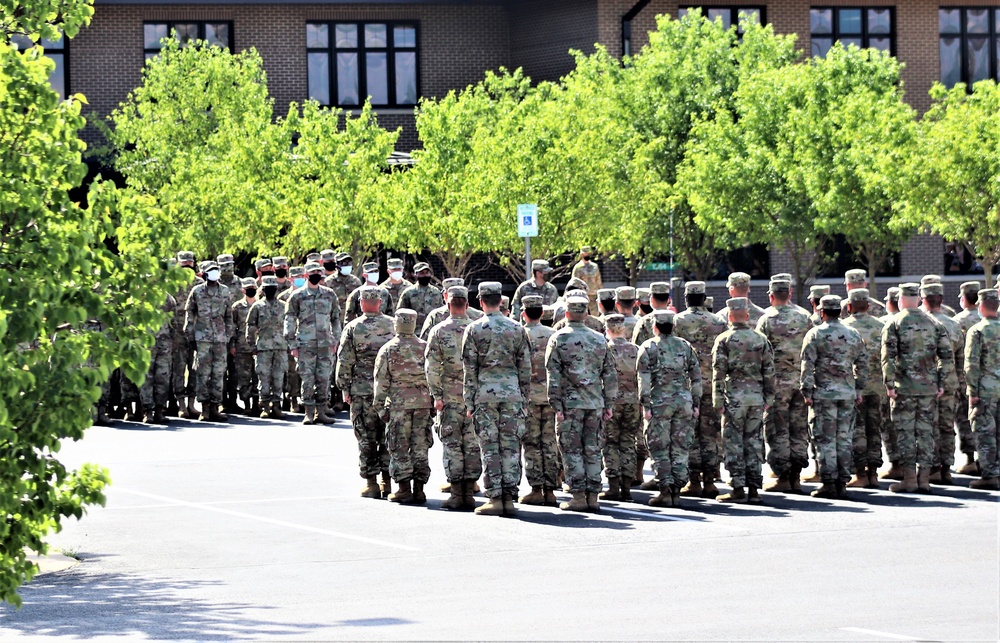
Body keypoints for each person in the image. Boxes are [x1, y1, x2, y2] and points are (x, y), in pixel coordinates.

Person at [462, 281, 531, 516]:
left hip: (484, 396)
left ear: (480, 302)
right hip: (512, 395)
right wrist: (524, 399)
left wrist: (469, 402)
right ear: (501, 301)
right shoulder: (517, 328)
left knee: (490, 446)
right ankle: (509, 496)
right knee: (511, 446)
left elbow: (469, 370)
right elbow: (525, 368)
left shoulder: (474, 329)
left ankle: (495, 497)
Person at [545, 295, 618, 512]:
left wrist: (556, 405)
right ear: (586, 313)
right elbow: (610, 374)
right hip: (595, 403)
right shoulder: (599, 339)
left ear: (566, 313)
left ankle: (578, 496)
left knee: (571, 449)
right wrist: (609, 403)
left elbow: (553, 375)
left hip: (569, 405)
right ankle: (593, 496)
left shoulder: (558, 338)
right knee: (593, 448)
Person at [881, 283, 953, 493]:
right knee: (926, 433)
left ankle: (910, 479)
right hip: (928, 388)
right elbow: (946, 357)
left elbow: (888, 357)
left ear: (901, 300)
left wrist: (889, 384)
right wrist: (940, 383)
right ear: (919, 299)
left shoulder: (895, 322)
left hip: (904, 389)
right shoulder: (934, 322)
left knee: (905, 433)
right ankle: (924, 480)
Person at [800, 295, 868, 499]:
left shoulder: (815, 334)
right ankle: (843, 482)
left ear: (822, 312)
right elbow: (863, 363)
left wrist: (807, 391)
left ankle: (829, 482)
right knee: (844, 438)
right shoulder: (853, 334)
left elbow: (807, 365)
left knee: (825, 439)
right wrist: (858, 389)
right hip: (846, 393)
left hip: (823, 394)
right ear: (841, 311)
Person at [712, 297, 775, 503]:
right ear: (747, 316)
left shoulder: (724, 340)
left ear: (729, 316)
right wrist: (769, 397)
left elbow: (718, 374)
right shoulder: (760, 339)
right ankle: (755, 489)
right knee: (754, 441)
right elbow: (769, 371)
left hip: (734, 398)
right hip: (756, 398)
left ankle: (738, 487)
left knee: (734, 442)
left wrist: (718, 401)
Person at [425, 285, 482, 510]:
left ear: (448, 305)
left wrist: (436, 395)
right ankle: (470, 490)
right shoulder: (478, 329)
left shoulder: (438, 331)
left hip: (449, 397)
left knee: (452, 445)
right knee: (473, 444)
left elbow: (431, 367)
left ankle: (457, 494)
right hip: (475, 398)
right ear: (467, 305)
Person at [637, 311, 701, 507]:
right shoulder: (685, 346)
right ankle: (677, 491)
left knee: (660, 447)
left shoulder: (648, 347)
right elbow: (696, 377)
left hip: (659, 403)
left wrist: (645, 405)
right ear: (673, 326)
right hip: (683, 402)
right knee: (681, 447)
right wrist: (696, 403)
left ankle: (665, 491)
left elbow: (644, 381)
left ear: (655, 327)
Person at [337, 286, 396, 498]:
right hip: (388, 390)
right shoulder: (393, 325)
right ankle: (387, 481)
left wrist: (344, 387)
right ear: (380, 303)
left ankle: (371, 483)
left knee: (366, 437)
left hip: (361, 390)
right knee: (387, 435)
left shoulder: (353, 328)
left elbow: (345, 360)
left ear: (361, 303)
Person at [756, 278, 811, 493]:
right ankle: (796, 476)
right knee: (799, 429)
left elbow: (761, 354)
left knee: (778, 430)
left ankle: (784, 476)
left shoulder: (767, 320)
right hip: (800, 382)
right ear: (789, 294)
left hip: (777, 385)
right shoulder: (805, 317)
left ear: (771, 296)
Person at [673, 281, 727, 498]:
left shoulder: (678, 321)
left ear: (686, 298)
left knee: (691, 434)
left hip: (687, 386)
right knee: (711, 434)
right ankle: (711, 480)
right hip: (712, 384)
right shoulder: (719, 322)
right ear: (704, 298)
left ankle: (694, 480)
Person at [374, 309, 434, 505]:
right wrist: (433, 404)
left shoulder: (388, 349)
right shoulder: (425, 347)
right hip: (423, 404)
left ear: (396, 324)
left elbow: (381, 381)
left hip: (399, 405)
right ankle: (419, 489)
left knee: (399, 446)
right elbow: (434, 376)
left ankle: (403, 488)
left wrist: (380, 407)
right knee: (420, 446)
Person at [513, 295, 560, 506]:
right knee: (549, 443)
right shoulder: (554, 335)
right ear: (542, 313)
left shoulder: (519, 334)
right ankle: (550, 489)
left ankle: (536, 489)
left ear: (523, 313)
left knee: (531, 443)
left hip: (528, 398)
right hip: (550, 397)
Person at [284, 262, 341, 425]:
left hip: (325, 345)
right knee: (307, 378)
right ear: (306, 275)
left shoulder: (329, 295)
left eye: (318, 272)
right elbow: (289, 320)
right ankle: (308, 412)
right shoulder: (297, 296)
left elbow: (336, 318)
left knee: (324, 378)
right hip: (305, 345)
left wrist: (336, 339)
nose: (316, 274)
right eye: (313, 272)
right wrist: (292, 344)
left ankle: (321, 411)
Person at [843, 289, 887, 488]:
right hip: (878, 387)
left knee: (858, 431)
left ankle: (860, 473)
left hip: (855, 387)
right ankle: (874, 472)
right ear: (868, 306)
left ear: (849, 307)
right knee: (874, 429)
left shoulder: (846, 328)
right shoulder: (882, 326)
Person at [921, 282, 964, 485]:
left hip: (927, 384)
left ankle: (933, 468)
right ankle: (947, 468)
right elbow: (961, 357)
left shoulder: (923, 323)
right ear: (942, 300)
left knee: (930, 426)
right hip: (950, 382)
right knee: (947, 426)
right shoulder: (954, 324)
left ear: (923, 299)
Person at [185, 260, 234, 422]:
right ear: (204, 274)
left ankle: (215, 407)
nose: (214, 273)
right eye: (210, 271)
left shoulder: (225, 291)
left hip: (220, 339)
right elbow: (190, 313)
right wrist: (190, 334)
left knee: (219, 373)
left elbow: (228, 316)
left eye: (216, 270)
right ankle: (204, 408)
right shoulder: (197, 291)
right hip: (202, 339)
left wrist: (227, 335)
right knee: (203, 373)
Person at [601, 314, 641, 502]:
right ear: (623, 329)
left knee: (610, 444)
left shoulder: (604, 349)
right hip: (633, 403)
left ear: (607, 330)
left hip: (611, 402)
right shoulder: (636, 350)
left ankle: (613, 487)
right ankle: (627, 488)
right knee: (628, 443)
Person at [964, 289, 1000, 490]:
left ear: (982, 305)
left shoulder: (977, 330)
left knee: (985, 434)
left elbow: (971, 365)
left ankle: (990, 475)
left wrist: (972, 392)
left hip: (985, 391)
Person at [246, 275, 287, 420]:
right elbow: (250, 326)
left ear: (276, 289)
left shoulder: (283, 306)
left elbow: (289, 325)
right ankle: (265, 407)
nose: (271, 291)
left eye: (273, 288)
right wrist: (252, 345)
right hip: (263, 348)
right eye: (267, 288)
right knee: (264, 378)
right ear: (263, 289)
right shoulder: (257, 306)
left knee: (278, 377)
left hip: (280, 347)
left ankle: (277, 406)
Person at [953, 281, 983, 475]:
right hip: (989, 377)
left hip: (964, 377)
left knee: (965, 417)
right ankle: (987, 457)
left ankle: (970, 458)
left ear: (964, 299)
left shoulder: (957, 321)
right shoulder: (991, 318)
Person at [171, 251, 202, 419]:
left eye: (190, 264)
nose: (187, 267)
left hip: (196, 333)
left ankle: (192, 403)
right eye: (184, 265)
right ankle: (181, 405)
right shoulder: (171, 284)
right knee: (179, 369)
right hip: (177, 333)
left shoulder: (199, 284)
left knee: (194, 369)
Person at [139, 291, 177, 425]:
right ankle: (147, 411)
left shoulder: (168, 298)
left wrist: (172, 340)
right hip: (146, 343)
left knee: (163, 378)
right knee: (146, 378)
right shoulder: (140, 296)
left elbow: (174, 321)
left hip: (164, 344)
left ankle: (160, 410)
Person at [230, 277, 261, 417]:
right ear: (243, 290)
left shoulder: (261, 305)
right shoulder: (237, 306)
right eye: (248, 288)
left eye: (253, 287)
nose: (251, 290)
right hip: (242, 347)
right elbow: (232, 327)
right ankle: (246, 404)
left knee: (258, 376)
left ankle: (256, 403)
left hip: (259, 347)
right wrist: (232, 345)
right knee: (244, 377)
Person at [398, 262, 441, 330]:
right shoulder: (408, 293)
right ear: (416, 275)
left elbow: (441, 312)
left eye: (427, 273)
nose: (425, 275)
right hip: (414, 332)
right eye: (422, 273)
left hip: (432, 331)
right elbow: (400, 313)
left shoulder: (437, 292)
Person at [571, 246, 603, 316]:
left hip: (594, 294)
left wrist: (601, 292)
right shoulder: (577, 267)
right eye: (585, 253)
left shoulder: (594, 266)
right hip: (583, 295)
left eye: (588, 253)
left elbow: (598, 280)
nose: (586, 255)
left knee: (595, 315)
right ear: (581, 255)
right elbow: (574, 282)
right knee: (582, 314)